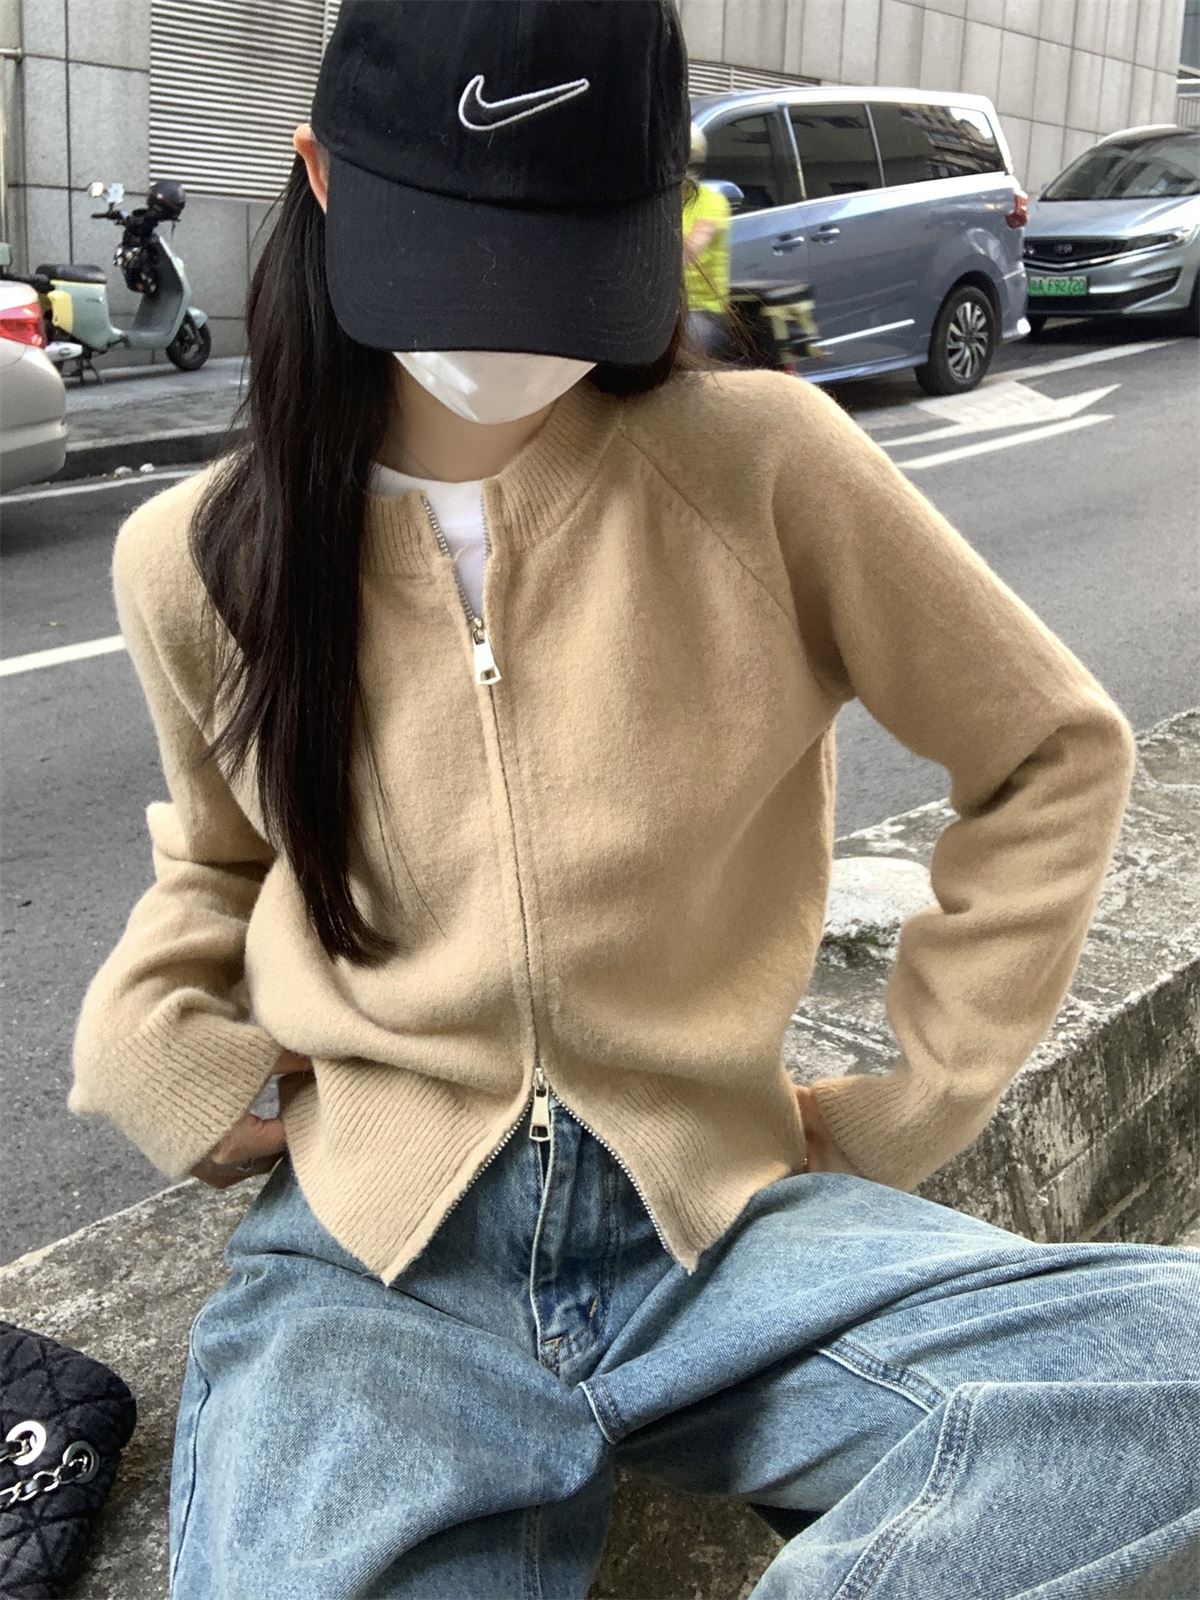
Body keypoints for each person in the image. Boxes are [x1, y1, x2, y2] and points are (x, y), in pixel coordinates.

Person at [68, 3, 1199, 1597]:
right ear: (320, 177)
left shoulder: (764, 465)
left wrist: (915, 1101)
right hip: (377, 1264)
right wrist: (156, 1049)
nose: (510, 322)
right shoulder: (195, 559)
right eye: (462, 248)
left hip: (719, 1225)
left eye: (564, 256)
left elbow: (1050, 751)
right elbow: (221, 857)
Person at [682, 122, 733, 357]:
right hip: (665, 308)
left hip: (702, 311)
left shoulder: (712, 202)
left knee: (680, 344)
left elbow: (690, 251)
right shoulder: (660, 207)